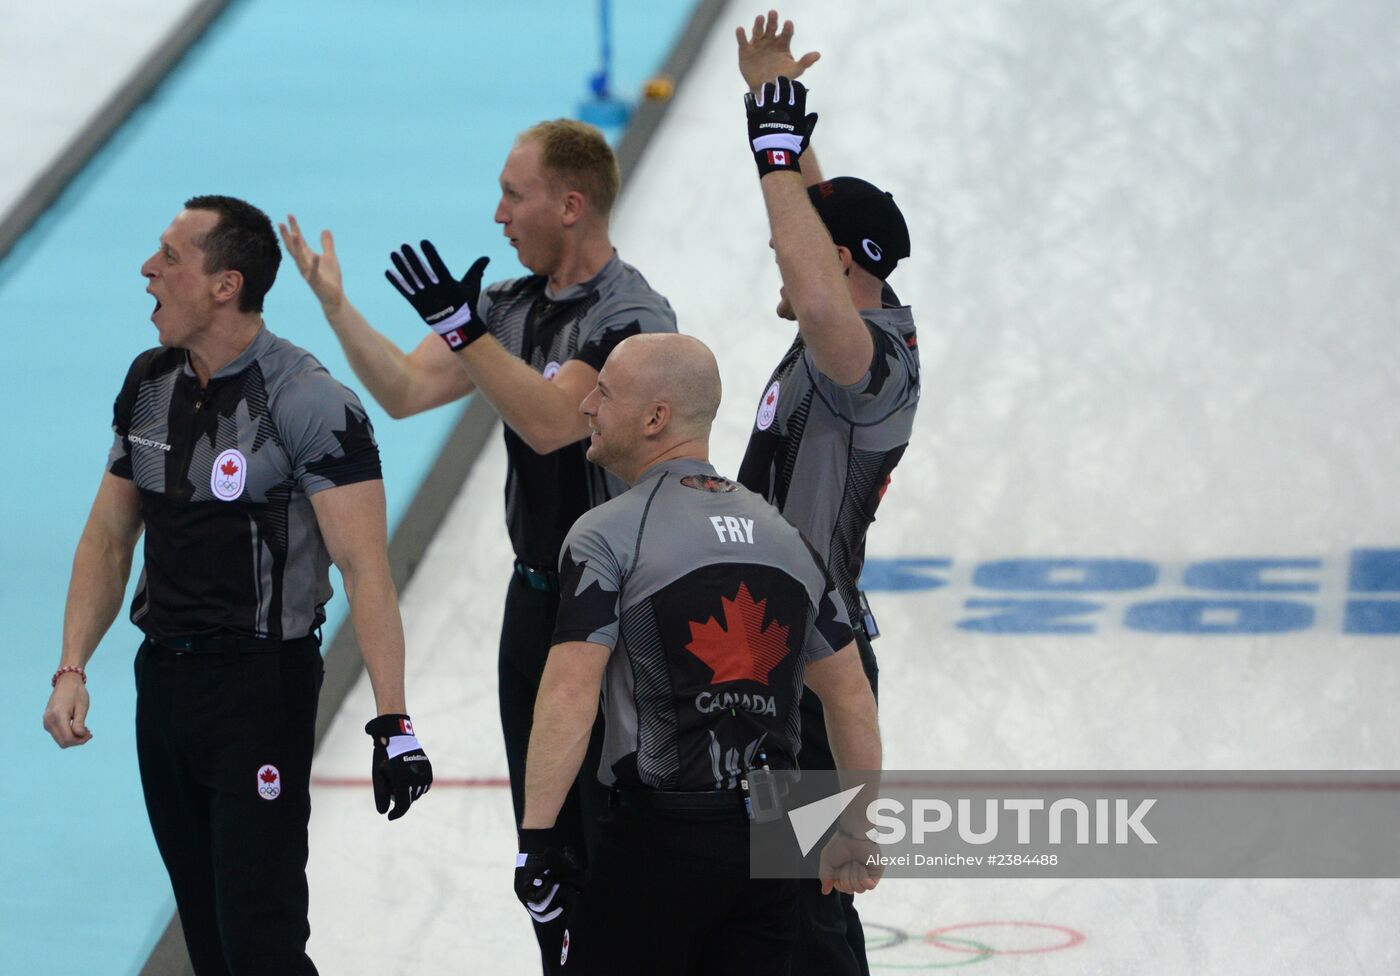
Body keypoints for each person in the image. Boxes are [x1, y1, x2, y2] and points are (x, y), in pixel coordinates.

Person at [278, 118, 676, 973]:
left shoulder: (632, 316)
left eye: (512, 194)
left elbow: (550, 423)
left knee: (614, 823)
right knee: (541, 840)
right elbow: (406, 388)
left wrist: (468, 334)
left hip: (616, 610)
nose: (496, 215)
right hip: (535, 599)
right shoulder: (509, 305)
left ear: (570, 206)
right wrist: (337, 307)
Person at [40, 196, 432, 975]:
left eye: (170, 258)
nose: (147, 271)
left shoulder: (311, 402)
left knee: (262, 937)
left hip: (260, 687)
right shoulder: (149, 384)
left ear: (226, 285)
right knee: (210, 936)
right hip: (166, 685)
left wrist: (394, 719)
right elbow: (110, 537)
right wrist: (72, 665)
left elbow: (366, 569)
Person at [514, 333, 883, 976]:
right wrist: (854, 828)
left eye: (604, 392)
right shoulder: (785, 537)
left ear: (655, 418)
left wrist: (539, 840)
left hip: (662, 838)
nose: (586, 408)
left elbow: (569, 694)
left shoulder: (607, 533)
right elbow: (850, 693)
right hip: (773, 837)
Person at [737, 13, 921, 975]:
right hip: (772, 656)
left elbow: (816, 284)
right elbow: (827, 226)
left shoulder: (868, 360)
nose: (781, 248)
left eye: (806, 242)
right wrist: (782, 113)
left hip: (809, 671)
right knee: (772, 911)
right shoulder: (858, 315)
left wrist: (766, 142)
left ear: (843, 261)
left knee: (804, 922)